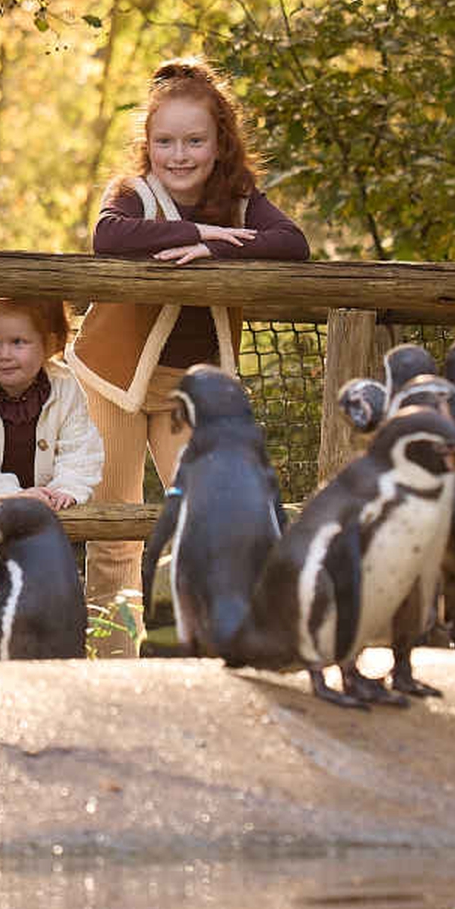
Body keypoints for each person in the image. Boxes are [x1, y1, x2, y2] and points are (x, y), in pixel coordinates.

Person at [67, 57, 309, 644]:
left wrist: (222, 251)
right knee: (115, 527)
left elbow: (292, 244)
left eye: (194, 141)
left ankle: (210, 644)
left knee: (212, 516)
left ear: (219, 143)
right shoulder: (132, 193)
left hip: (190, 393)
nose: (179, 155)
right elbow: (108, 238)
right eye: (165, 141)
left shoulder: (242, 199)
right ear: (147, 145)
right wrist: (195, 233)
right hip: (111, 380)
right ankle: (112, 658)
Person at [0, 295, 104, 651]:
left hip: (41, 507)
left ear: (51, 344)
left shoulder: (66, 386)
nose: (3, 354)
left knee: (38, 580)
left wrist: (68, 487)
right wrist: (10, 495)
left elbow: (81, 446)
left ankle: (34, 654)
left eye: (18, 343)